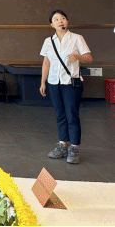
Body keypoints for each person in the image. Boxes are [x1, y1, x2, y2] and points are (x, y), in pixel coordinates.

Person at [40, 10, 93, 165]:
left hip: (71, 83)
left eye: (63, 18)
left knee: (72, 115)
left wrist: (78, 57)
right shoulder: (48, 41)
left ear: (67, 21)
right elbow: (46, 62)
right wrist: (43, 82)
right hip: (53, 83)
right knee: (60, 114)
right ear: (51, 24)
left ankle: (74, 148)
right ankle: (62, 145)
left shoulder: (77, 38)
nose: (60, 21)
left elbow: (89, 58)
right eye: (56, 19)